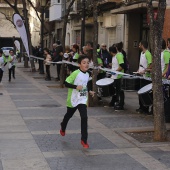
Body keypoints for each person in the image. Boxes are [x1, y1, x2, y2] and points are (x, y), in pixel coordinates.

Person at [60, 55, 95, 149]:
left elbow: (86, 84)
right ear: (79, 64)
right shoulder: (75, 73)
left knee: (84, 118)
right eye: (84, 63)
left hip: (82, 99)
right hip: (73, 99)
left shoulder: (88, 74)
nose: (86, 64)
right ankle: (63, 126)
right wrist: (75, 87)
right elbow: (66, 83)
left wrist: (90, 91)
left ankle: (84, 140)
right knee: (68, 115)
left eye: (88, 63)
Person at [136, 40, 152, 114]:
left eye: (139, 45)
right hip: (141, 76)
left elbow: (150, 65)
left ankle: (145, 108)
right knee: (140, 92)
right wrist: (139, 70)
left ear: (142, 45)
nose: (139, 46)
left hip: (146, 77)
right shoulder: (142, 53)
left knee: (145, 93)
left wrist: (145, 70)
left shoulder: (148, 54)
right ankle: (141, 107)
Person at [108, 46, 125, 110]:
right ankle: (114, 101)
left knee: (119, 90)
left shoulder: (119, 55)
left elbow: (122, 65)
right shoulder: (114, 56)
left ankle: (121, 103)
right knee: (115, 90)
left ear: (111, 52)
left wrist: (116, 71)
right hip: (114, 76)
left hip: (118, 76)